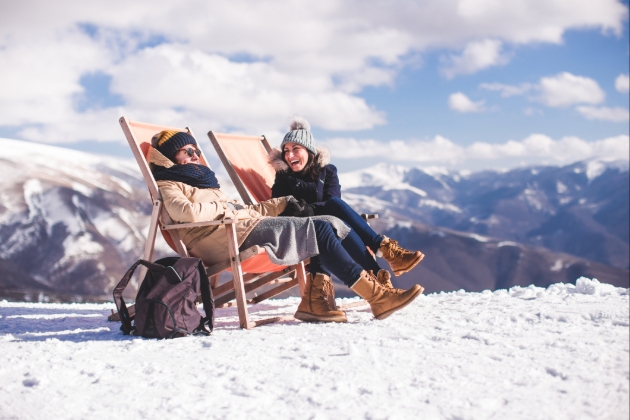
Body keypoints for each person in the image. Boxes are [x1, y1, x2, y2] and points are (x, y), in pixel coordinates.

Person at [147, 130, 423, 323]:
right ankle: (376, 296)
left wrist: (283, 203)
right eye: (188, 151)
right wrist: (227, 210)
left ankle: (372, 291)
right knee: (319, 229)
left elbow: (245, 209)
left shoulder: (204, 183)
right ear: (171, 157)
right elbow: (187, 212)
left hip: (243, 226)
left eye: (196, 150)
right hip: (223, 238)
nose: (196, 155)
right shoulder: (169, 184)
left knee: (330, 221)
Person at [269, 117, 425, 299]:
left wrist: (308, 208)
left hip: (326, 225)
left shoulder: (327, 171)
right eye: (286, 151)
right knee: (333, 219)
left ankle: (378, 275)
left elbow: (334, 200)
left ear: (309, 150)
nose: (289, 156)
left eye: (296, 149)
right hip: (298, 230)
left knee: (335, 218)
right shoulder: (284, 177)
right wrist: (304, 209)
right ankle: (383, 252)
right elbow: (279, 205)